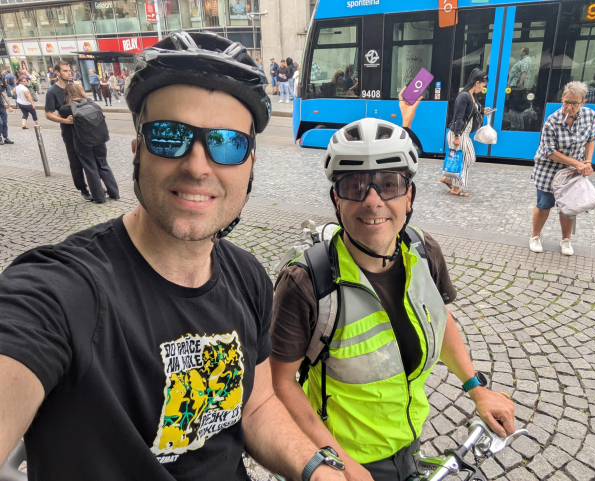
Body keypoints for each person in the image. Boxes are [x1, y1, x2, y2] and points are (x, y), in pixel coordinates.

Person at [0, 31, 347, 481]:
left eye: (227, 143)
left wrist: (318, 468)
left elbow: (257, 405)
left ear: (250, 166)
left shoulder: (248, 277)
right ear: (137, 150)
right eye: (169, 136)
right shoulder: (60, 291)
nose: (198, 166)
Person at [270, 99, 515, 481]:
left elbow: (439, 318)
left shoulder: (424, 251)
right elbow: (281, 383)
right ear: (336, 200)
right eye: (355, 186)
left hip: (409, 440)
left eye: (389, 184)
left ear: (409, 197)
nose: (373, 200)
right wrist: (340, 464)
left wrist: (476, 388)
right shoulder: (306, 283)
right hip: (342, 461)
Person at [530, 81, 595, 256]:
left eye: (574, 103)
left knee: (569, 207)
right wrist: (578, 163)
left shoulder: (590, 115)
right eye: (566, 102)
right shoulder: (552, 121)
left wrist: (588, 162)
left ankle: (566, 240)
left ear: (583, 102)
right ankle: (535, 236)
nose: (569, 107)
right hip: (549, 168)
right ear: (562, 99)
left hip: (573, 170)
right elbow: (549, 152)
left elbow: (591, 139)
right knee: (544, 205)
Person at [58, 84, 119, 204]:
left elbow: (57, 118)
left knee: (90, 167)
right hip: (99, 138)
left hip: (82, 141)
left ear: (67, 94)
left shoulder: (66, 109)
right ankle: (114, 193)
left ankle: (99, 198)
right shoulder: (92, 103)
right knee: (103, 164)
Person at [45, 61, 91, 202]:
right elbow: (48, 114)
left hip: (85, 128)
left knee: (90, 157)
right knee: (75, 160)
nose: (69, 73)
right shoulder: (52, 92)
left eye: (69, 70)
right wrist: (65, 121)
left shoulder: (74, 87)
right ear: (57, 73)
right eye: (65, 71)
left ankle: (95, 185)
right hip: (69, 131)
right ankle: (83, 189)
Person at [442, 69, 492, 197]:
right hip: (458, 133)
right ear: (477, 82)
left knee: (462, 158)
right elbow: (459, 117)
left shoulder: (471, 96)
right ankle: (455, 187)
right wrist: (457, 136)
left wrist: (482, 111)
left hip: (464, 134)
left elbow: (470, 112)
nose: (483, 88)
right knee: (467, 158)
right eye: (483, 86)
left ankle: (449, 179)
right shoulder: (464, 96)